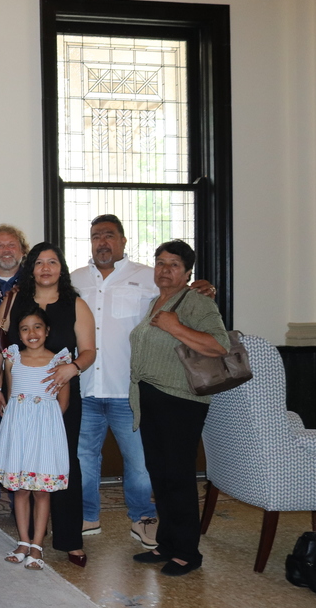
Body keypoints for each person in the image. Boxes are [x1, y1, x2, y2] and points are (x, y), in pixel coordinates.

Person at [73, 214, 217, 547]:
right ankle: (87, 515)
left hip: (131, 391)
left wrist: (203, 287)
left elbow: (180, 294)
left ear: (123, 241)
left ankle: (142, 518)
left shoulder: (147, 277)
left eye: (109, 235)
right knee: (84, 460)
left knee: (139, 463)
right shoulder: (75, 279)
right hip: (86, 387)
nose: (102, 242)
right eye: (96, 236)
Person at [0, 242, 95, 567]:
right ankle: (31, 539)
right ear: (30, 268)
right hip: (22, 398)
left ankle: (69, 539)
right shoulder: (14, 299)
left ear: (61, 268)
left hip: (58, 398)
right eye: (39, 262)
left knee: (63, 463)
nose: (45, 268)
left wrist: (72, 368)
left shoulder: (75, 304)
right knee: (25, 467)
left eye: (52, 262)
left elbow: (89, 351)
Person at [129, 240, 228, 577]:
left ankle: (188, 552)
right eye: (160, 262)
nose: (165, 270)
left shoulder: (196, 301)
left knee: (179, 477)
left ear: (187, 273)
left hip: (181, 402)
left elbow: (219, 345)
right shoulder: (156, 301)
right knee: (161, 475)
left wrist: (176, 327)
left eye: (174, 264)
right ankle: (167, 544)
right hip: (151, 398)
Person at [0, 308, 71, 571]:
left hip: (45, 434)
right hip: (19, 432)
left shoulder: (59, 361)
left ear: (47, 331)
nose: (32, 333)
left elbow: (63, 402)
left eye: (37, 327)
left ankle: (37, 545)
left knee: (41, 491)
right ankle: (23, 541)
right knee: (21, 490)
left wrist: (46, 428)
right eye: (25, 328)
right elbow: (12, 394)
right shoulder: (13, 357)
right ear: (19, 334)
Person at [0, 224, 29, 311]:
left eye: (11, 245)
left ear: (23, 251)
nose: (6, 250)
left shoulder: (33, 281)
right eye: (0, 246)